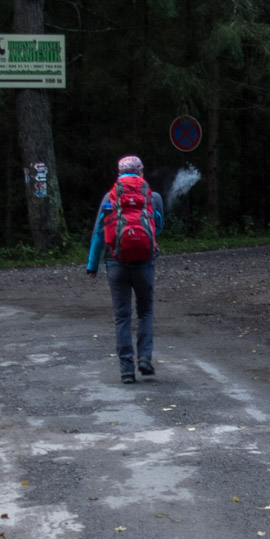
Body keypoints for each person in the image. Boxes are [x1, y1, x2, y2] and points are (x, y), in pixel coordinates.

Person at [87, 156, 164, 383]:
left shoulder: (109, 197)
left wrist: (92, 266)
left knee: (122, 316)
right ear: (140, 172)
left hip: (115, 262)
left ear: (119, 174)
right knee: (145, 311)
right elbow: (157, 227)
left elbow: (99, 234)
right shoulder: (153, 196)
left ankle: (127, 371)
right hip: (144, 262)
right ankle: (145, 358)